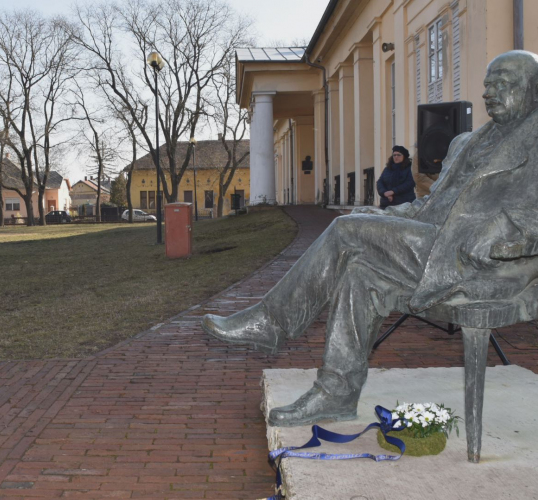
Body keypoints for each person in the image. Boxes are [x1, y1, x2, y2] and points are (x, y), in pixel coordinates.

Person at [202, 50, 538, 427]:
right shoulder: (467, 143)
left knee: (347, 231)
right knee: (359, 270)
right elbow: (431, 207)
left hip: (488, 264)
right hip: (438, 246)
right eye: (488, 83)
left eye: (504, 83)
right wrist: (384, 216)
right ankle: (335, 394)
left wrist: (507, 233)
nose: (491, 91)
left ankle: (271, 321)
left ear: (533, 89)